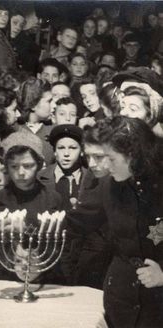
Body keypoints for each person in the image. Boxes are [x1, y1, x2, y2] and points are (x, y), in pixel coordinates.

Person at [94, 116, 163, 327]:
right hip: (120, 300)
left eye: (111, 158)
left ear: (133, 156)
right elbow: (75, 224)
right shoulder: (108, 186)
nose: (105, 165)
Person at [0, 131, 62, 283]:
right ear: (6, 167)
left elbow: (56, 242)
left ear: (40, 165)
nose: (21, 173)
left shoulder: (52, 198)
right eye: (14, 166)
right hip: (3, 274)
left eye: (28, 166)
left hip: (39, 275)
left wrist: (25, 229)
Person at [62, 123, 111, 289]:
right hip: (87, 257)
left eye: (98, 157)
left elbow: (82, 216)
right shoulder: (93, 174)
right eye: (88, 157)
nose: (91, 163)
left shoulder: (111, 181)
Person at [38, 124, 86, 210]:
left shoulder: (93, 178)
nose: (66, 154)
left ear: (82, 151)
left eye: (72, 148)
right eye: (61, 148)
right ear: (55, 152)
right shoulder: (39, 178)